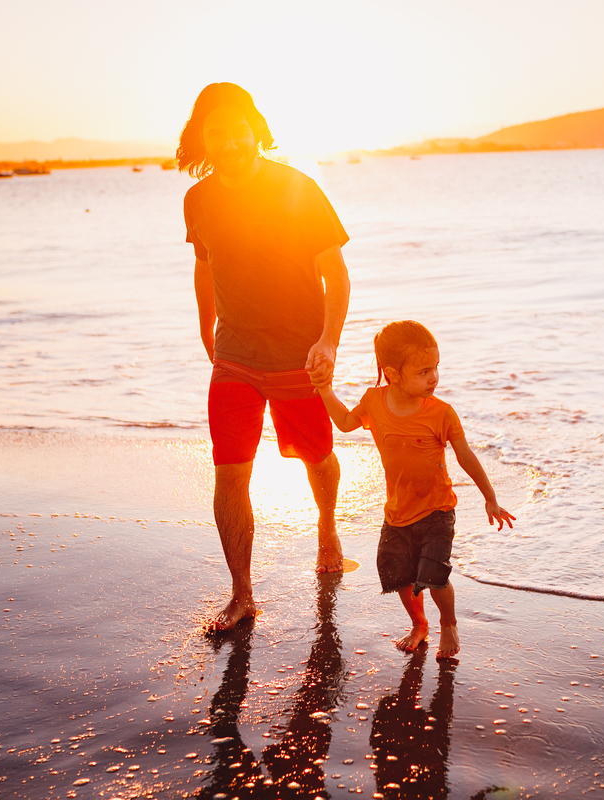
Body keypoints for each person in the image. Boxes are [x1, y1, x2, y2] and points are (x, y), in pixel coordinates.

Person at [180, 82, 352, 630]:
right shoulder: (198, 199)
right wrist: (206, 330)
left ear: (256, 131)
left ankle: (327, 526)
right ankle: (241, 593)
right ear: (201, 140)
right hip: (234, 357)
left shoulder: (296, 188)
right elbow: (205, 266)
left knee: (317, 457)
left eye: (237, 131)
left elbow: (337, 273)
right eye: (216, 134)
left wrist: (327, 341)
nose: (228, 142)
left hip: (298, 356)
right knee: (230, 473)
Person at [308, 320, 515, 659]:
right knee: (400, 577)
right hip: (398, 513)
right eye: (423, 371)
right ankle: (420, 624)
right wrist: (327, 391)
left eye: (436, 368)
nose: (434, 377)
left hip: (437, 510)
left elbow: (465, 457)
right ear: (393, 372)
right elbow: (346, 423)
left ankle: (448, 624)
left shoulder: (442, 413)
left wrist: (490, 499)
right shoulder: (374, 402)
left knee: (434, 576)